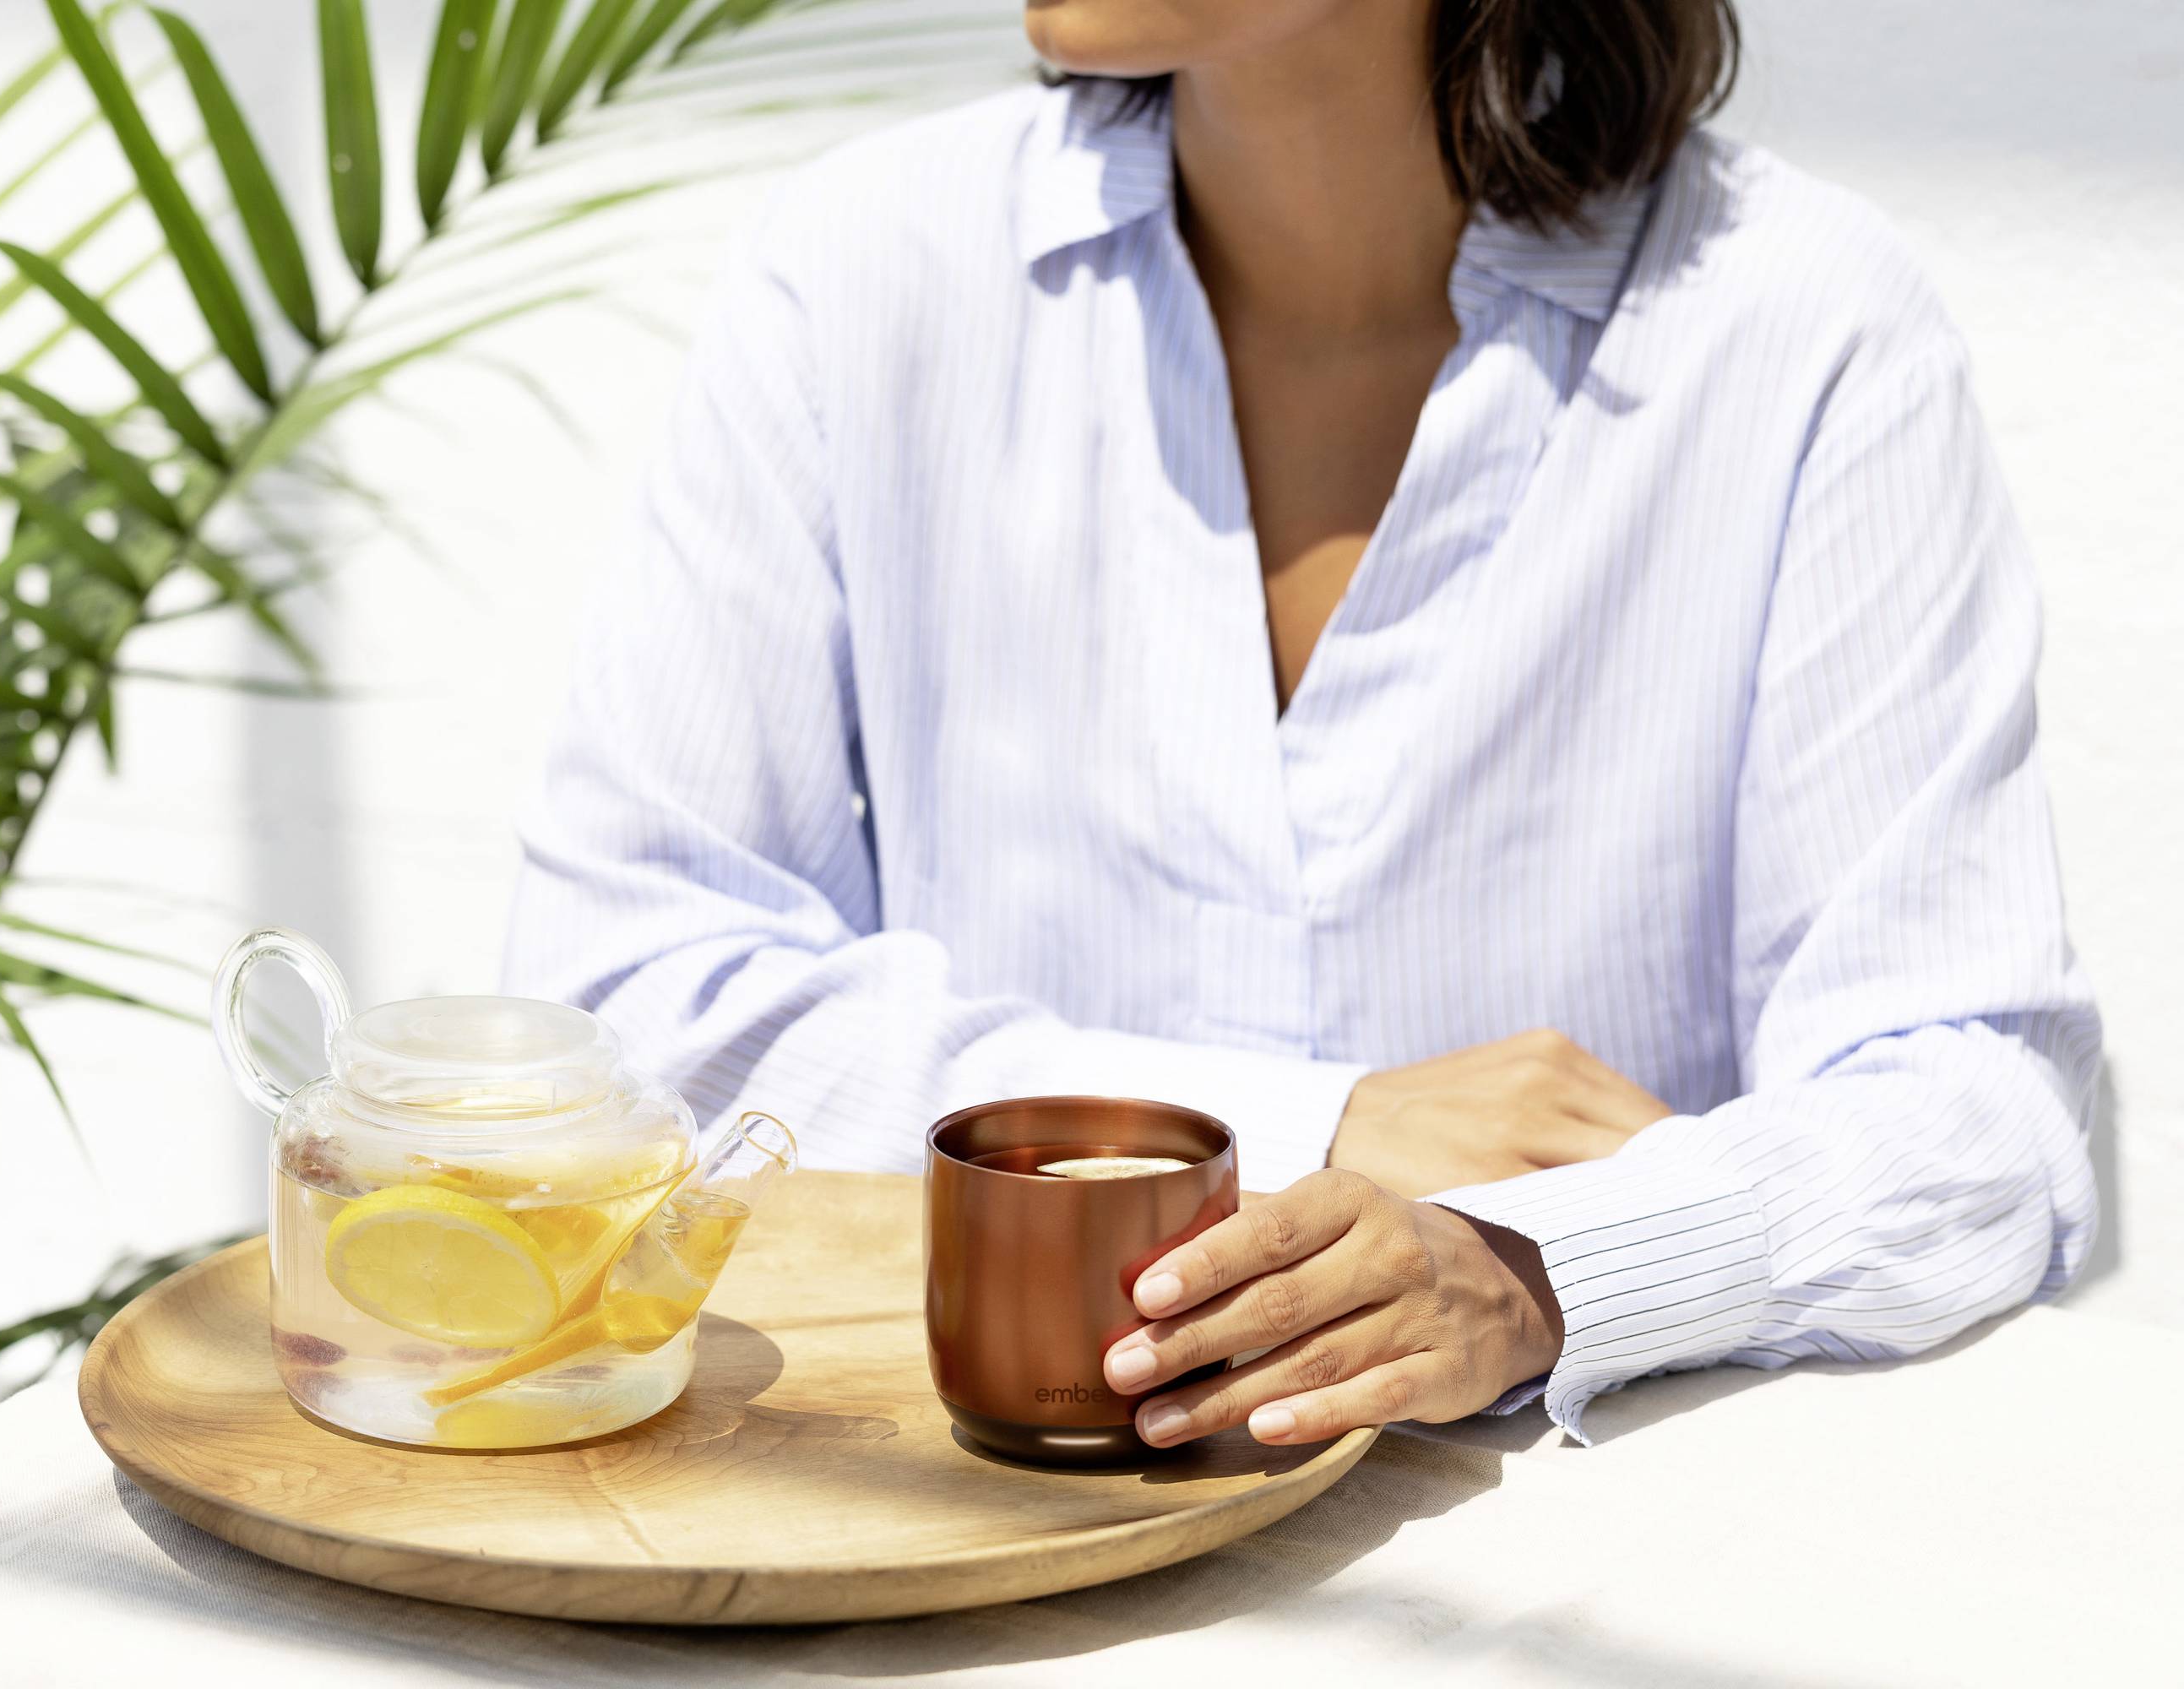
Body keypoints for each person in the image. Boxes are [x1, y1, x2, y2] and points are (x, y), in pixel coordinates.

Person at [503, 0, 2099, 1447]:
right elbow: (624, 996)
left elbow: (1977, 1109)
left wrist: (1538, 1276)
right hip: (973, 1537)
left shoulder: (1800, 324)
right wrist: (1311, 1127)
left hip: (1572, 1565)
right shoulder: (871, 269)